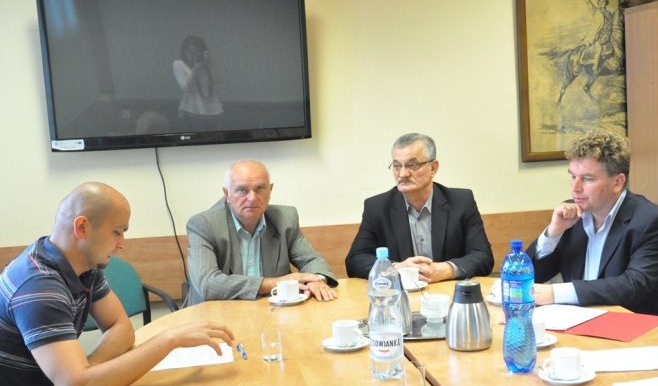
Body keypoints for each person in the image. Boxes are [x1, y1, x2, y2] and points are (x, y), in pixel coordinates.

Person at [0, 183, 233, 386]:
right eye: (117, 232)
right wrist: (170, 339)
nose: (122, 244)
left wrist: (85, 378)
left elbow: (120, 328)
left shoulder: (82, 264)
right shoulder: (39, 288)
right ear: (82, 227)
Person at [526, 130, 658, 322]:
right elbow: (531, 277)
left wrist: (554, 293)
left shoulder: (652, 220)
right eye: (573, 176)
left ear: (617, 182)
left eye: (588, 179)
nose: (575, 188)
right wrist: (553, 233)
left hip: (639, 327)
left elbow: (634, 285)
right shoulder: (572, 214)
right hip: (582, 322)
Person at [185, 160, 338, 306]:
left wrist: (316, 280)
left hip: (270, 311)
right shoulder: (204, 224)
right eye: (242, 190)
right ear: (227, 194)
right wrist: (273, 283)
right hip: (214, 314)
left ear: (270, 190)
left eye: (260, 189)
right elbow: (207, 284)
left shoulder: (285, 219)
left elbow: (312, 260)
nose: (252, 198)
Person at [345, 133, 493, 283]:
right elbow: (355, 260)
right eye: (397, 166)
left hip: (448, 291)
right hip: (401, 293)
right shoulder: (377, 207)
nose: (403, 173)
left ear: (433, 168)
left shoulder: (461, 202)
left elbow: (483, 256)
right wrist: (394, 268)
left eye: (412, 165)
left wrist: (447, 269)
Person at [173, 35, 224, 132]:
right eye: (189, 51)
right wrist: (196, 68)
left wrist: (210, 64)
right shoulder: (179, 64)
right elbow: (186, 89)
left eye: (196, 51)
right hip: (192, 111)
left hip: (214, 111)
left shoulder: (207, 66)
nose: (192, 55)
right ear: (184, 51)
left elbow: (219, 85)